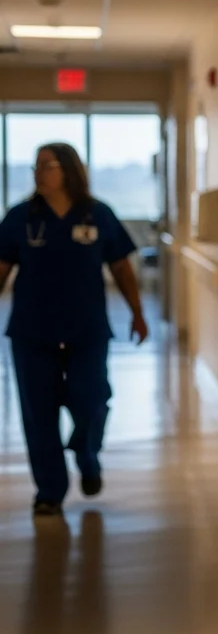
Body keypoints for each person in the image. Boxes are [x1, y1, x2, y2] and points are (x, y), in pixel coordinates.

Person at [0, 142, 148, 517]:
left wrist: (137, 312)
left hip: (87, 330)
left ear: (67, 169)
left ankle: (87, 453)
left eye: (45, 165)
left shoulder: (98, 214)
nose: (38, 173)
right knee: (39, 413)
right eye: (35, 167)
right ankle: (50, 491)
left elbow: (121, 267)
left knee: (92, 399)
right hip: (33, 332)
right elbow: (1, 270)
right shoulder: (21, 217)